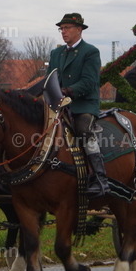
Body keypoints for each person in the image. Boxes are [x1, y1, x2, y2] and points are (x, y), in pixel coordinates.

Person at [48, 12, 108, 196]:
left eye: (67, 28)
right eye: (61, 29)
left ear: (79, 30)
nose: (63, 32)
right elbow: (50, 79)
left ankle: (100, 178)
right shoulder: (56, 53)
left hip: (82, 104)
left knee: (83, 130)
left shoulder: (90, 52)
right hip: (58, 104)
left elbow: (89, 82)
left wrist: (68, 90)